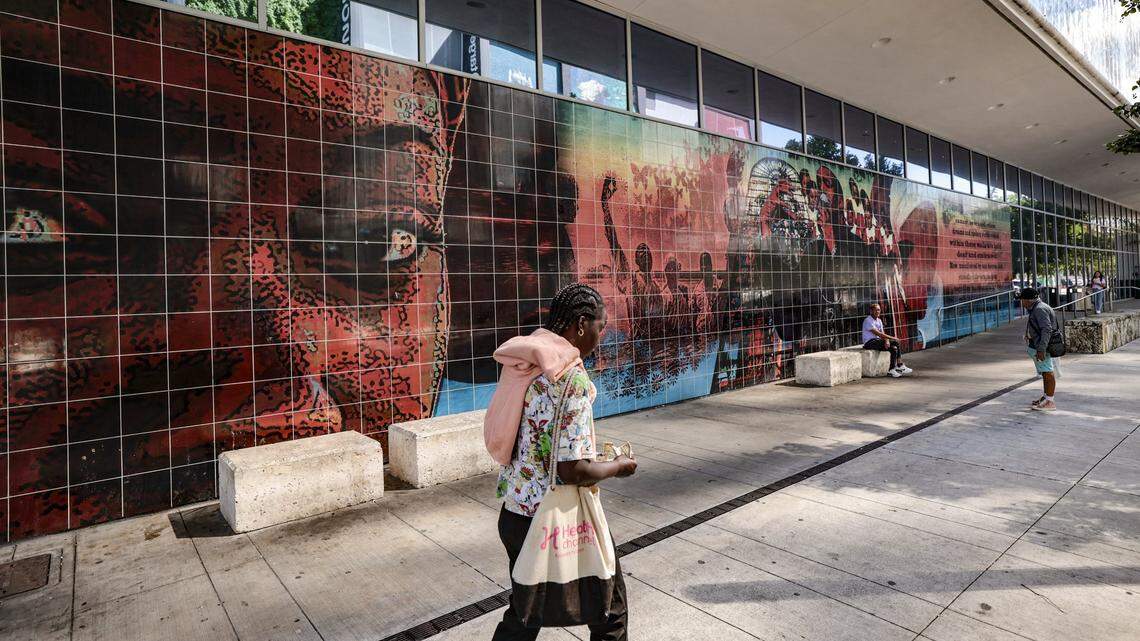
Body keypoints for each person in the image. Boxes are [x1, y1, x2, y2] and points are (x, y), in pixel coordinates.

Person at [489, 284, 637, 641]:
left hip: (515, 516)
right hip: (554, 522)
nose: (602, 335)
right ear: (582, 324)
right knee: (610, 614)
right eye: (600, 326)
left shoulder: (524, 364)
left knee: (524, 615)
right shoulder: (572, 379)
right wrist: (619, 466)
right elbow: (573, 470)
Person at [1021, 288, 1059, 411]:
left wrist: (1041, 349)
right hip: (1038, 345)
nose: (1022, 303)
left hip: (1042, 347)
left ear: (1028, 300)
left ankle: (1050, 402)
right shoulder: (1037, 308)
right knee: (1045, 372)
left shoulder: (1039, 309)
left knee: (1047, 372)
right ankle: (1046, 397)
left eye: (1022, 300)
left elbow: (1046, 329)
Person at [862, 303, 913, 377]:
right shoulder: (868, 320)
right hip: (869, 343)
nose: (877, 312)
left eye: (879, 310)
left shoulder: (879, 320)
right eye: (875, 310)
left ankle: (892, 369)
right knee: (895, 341)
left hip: (878, 341)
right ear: (871, 311)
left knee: (894, 348)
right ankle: (899, 365)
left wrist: (886, 340)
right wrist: (892, 338)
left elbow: (882, 333)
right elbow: (879, 334)